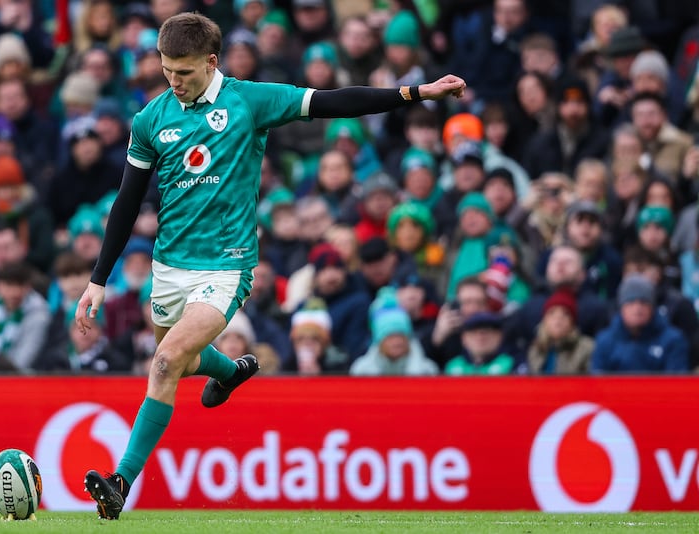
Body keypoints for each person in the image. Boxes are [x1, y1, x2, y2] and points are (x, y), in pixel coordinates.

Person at [74, 12, 467, 520]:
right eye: (167, 69)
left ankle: (120, 482)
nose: (174, 81)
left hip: (227, 264)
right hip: (169, 266)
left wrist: (415, 93)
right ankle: (233, 370)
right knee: (187, 361)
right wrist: (99, 278)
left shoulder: (249, 100)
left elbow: (331, 104)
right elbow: (128, 202)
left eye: (185, 72)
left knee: (167, 361)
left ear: (212, 62)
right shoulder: (151, 119)